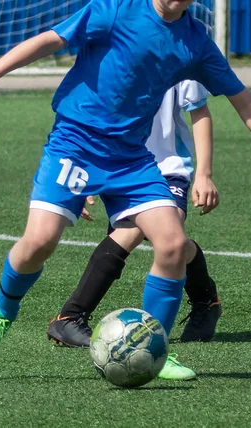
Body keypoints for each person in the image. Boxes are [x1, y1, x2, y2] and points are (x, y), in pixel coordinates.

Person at [0, 0, 251, 381]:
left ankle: (155, 344)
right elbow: (49, 41)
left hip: (131, 158)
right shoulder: (116, 8)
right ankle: (2, 312)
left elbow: (242, 98)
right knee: (40, 241)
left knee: (172, 244)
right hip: (75, 144)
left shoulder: (195, 41)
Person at [47, 80, 223, 354]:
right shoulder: (111, 48)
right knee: (147, 236)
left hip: (167, 166)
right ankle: (206, 300)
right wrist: (82, 174)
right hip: (120, 167)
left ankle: (70, 316)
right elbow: (87, 117)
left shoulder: (185, 45)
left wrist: (204, 174)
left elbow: (199, 111)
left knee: (159, 236)